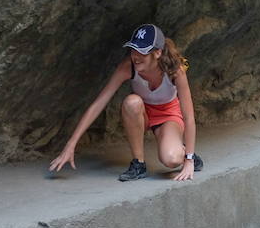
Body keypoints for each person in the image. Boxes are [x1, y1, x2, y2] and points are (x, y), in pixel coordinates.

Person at [49, 24, 203, 182]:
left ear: (157, 52)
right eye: (133, 49)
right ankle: (138, 164)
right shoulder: (127, 67)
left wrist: (189, 160)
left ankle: (185, 152)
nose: (135, 56)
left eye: (142, 52)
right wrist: (71, 143)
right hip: (141, 113)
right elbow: (99, 103)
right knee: (131, 102)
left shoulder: (175, 71)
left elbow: (189, 117)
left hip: (168, 114)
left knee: (171, 159)